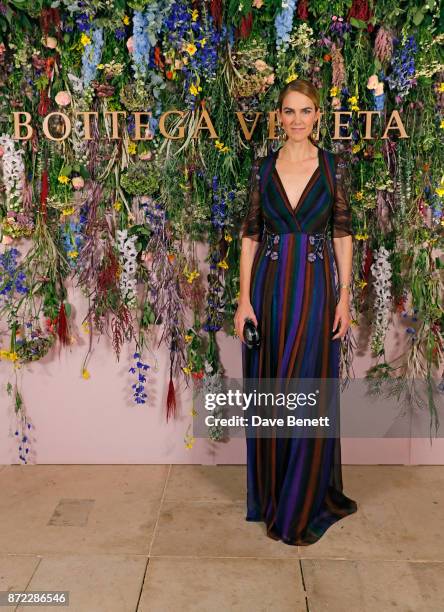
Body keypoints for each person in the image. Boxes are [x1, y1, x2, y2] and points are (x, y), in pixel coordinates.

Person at [234, 78, 358, 546]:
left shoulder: (332, 168)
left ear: (318, 117)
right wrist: (244, 299)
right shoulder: (262, 168)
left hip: (314, 292)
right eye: (290, 111)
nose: (298, 119)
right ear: (278, 117)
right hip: (268, 290)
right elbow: (250, 234)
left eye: (306, 111)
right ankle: (272, 494)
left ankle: (301, 500)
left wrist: (345, 295)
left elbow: (343, 233)